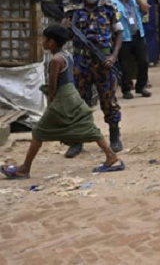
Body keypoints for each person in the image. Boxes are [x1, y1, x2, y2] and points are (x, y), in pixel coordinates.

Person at [1, 25, 125, 179]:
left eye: (44, 39)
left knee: (39, 132)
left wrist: (51, 102)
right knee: (87, 126)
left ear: (52, 42)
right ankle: (111, 155)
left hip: (63, 97)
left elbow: (53, 85)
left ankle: (25, 169)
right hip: (72, 95)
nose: (42, 42)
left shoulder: (55, 60)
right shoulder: (67, 55)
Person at [63, 0, 124, 158]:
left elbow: (119, 33)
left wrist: (113, 56)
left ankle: (114, 135)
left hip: (103, 61)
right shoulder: (73, 12)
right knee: (80, 102)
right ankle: (77, 141)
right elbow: (64, 37)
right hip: (81, 62)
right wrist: (64, 27)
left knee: (108, 100)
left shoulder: (109, 9)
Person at [112, 0, 152, 99]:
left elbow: (145, 10)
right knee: (125, 65)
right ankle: (126, 89)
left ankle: (141, 86)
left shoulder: (134, 1)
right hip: (123, 38)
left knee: (143, 62)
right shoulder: (113, 3)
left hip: (138, 35)